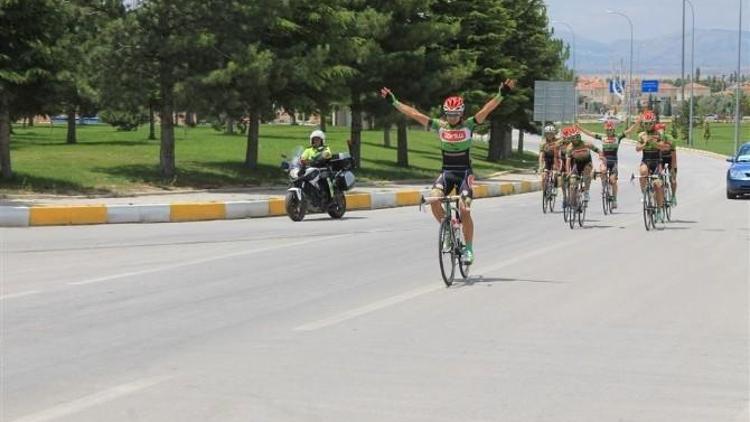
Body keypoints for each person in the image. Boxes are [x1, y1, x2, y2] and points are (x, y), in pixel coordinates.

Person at [380, 79, 516, 264]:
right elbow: (414, 114)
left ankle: (468, 249)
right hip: (447, 172)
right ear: (445, 114)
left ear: (461, 113)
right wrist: (394, 101)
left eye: (456, 114)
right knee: (434, 199)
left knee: (464, 209)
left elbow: (487, 109)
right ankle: (447, 229)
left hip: (465, 174)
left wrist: (501, 94)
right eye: (449, 114)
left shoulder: (469, 125)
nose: (452, 118)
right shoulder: (440, 126)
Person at [578, 120, 637, 209]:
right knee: (602, 171)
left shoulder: (618, 137)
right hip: (605, 161)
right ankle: (604, 186)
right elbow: (590, 134)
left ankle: (614, 199)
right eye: (607, 130)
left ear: (613, 130)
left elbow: (629, 131)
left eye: (611, 130)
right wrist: (579, 128)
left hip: (613, 162)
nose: (609, 132)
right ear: (605, 131)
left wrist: (638, 122)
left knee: (613, 181)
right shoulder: (603, 138)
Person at [635, 111, 666, 217]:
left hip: (657, 161)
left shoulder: (659, 134)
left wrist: (655, 143)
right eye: (645, 123)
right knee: (642, 172)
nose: (648, 125)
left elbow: (663, 146)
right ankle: (644, 193)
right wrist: (645, 144)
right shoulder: (642, 135)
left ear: (653, 123)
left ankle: (659, 209)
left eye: (650, 123)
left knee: (658, 185)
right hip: (646, 160)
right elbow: (637, 148)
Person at [562, 126, 603, 204]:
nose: (575, 140)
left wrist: (601, 156)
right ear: (570, 139)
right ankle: (574, 200)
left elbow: (598, 150)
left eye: (577, 137)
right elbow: (568, 161)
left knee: (587, 174)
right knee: (573, 182)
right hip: (576, 165)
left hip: (587, 163)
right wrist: (568, 173)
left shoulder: (586, 144)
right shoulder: (570, 148)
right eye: (573, 138)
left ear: (579, 136)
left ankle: (586, 192)